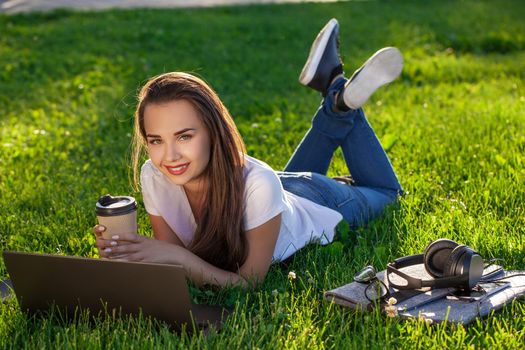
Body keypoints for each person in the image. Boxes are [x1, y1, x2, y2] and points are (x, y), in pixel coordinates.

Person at [93, 18, 404, 288]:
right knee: (271, 185)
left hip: (321, 201)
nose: (169, 156)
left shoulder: (257, 184)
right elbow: (178, 260)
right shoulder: (154, 174)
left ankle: (342, 99)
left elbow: (249, 282)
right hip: (278, 194)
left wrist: (173, 256)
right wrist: (133, 253)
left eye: (184, 136)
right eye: (156, 140)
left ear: (213, 131)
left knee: (389, 193)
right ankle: (335, 93)